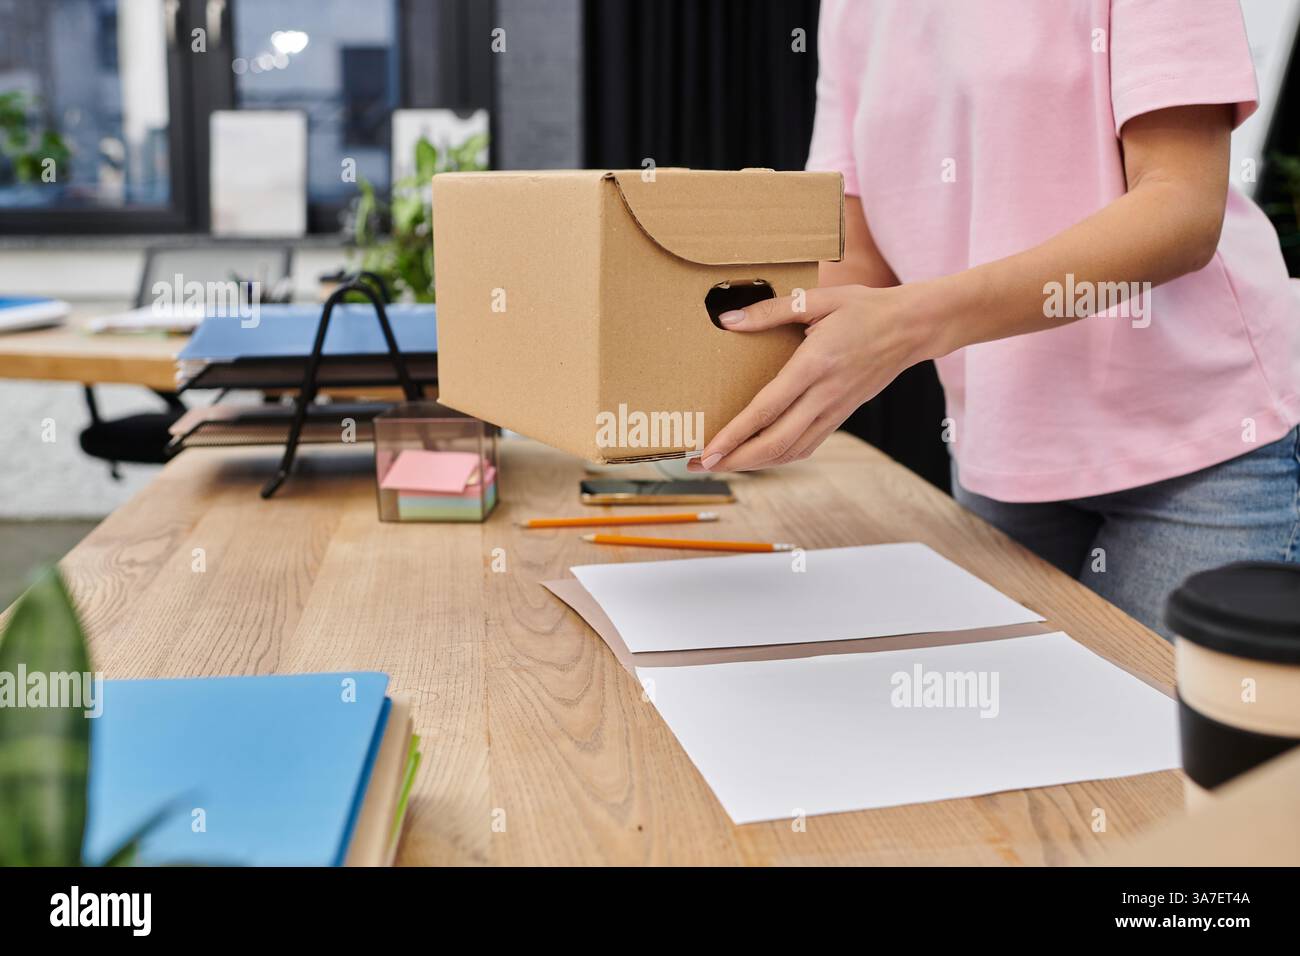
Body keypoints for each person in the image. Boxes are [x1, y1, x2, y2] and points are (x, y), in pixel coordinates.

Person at [688, 0, 1300, 638]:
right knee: (1031, 728)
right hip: (1005, 442)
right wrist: (698, 381)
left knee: (1165, 733)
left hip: (1200, 446)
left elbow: (1181, 212)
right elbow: (854, 260)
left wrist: (910, 324)